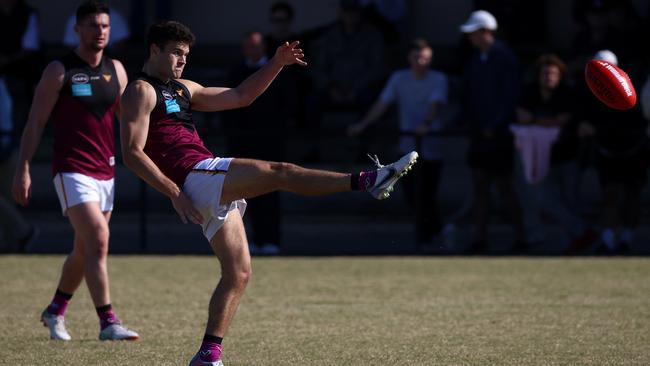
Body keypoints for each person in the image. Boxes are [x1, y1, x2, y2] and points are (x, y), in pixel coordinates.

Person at [119, 21, 417, 365]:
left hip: (202, 178)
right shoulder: (140, 90)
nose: (182, 60)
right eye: (175, 53)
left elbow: (240, 96)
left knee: (239, 273)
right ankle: (367, 181)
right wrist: (174, 192)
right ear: (154, 49)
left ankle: (208, 355)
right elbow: (132, 153)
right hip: (195, 176)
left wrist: (276, 62)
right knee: (281, 172)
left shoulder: (183, 88)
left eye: (186, 54)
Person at [11, 1, 138, 341]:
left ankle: (55, 310)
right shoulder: (59, 70)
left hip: (106, 171)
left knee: (85, 249)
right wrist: (23, 167)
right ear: (77, 29)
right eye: (94, 26)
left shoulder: (118, 70)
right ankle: (108, 322)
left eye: (105, 26)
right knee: (98, 239)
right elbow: (35, 122)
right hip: (71, 170)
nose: (100, 32)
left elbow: (130, 121)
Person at [348, 38, 448, 246]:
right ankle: (430, 236)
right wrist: (363, 124)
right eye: (417, 57)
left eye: (426, 58)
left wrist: (426, 124)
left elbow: (436, 104)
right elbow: (382, 103)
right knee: (412, 195)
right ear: (409, 58)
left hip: (431, 147)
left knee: (428, 194)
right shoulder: (399, 78)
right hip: (407, 148)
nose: (422, 62)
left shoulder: (439, 79)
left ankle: (433, 235)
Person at [512, 53, 597, 253]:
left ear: (560, 76)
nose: (549, 77)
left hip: (567, 156)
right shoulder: (529, 93)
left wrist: (535, 121)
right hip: (541, 160)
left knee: (570, 199)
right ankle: (581, 233)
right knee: (543, 200)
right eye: (545, 73)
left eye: (553, 73)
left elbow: (560, 121)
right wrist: (544, 122)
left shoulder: (567, 95)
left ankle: (577, 242)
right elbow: (522, 117)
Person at [224, 31, 298, 255]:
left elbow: (289, 105)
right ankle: (250, 240)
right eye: (247, 46)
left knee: (271, 188)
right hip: (242, 140)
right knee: (244, 191)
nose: (251, 50)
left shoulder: (280, 73)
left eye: (256, 46)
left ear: (264, 47)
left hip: (270, 140)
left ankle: (271, 239)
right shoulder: (236, 72)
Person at [458, 10, 526, 254]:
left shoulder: (504, 58)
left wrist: (495, 125)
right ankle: (479, 239)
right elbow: (469, 96)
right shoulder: (477, 59)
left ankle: (521, 238)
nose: (470, 38)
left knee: (504, 187)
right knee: (480, 187)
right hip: (479, 136)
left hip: (499, 137)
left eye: (473, 33)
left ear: (486, 32)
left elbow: (509, 97)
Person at [576, 50, 648, 255]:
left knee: (632, 196)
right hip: (607, 151)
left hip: (633, 151)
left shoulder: (631, 90)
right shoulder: (589, 93)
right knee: (610, 196)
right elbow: (584, 120)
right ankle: (608, 240)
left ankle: (626, 238)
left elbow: (637, 122)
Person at [0, 0, 40, 252]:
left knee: (7, 197)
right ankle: (18, 237)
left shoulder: (27, 15)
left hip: (5, 143)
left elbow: (7, 119)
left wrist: (7, 143)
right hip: (6, 140)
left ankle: (21, 236)